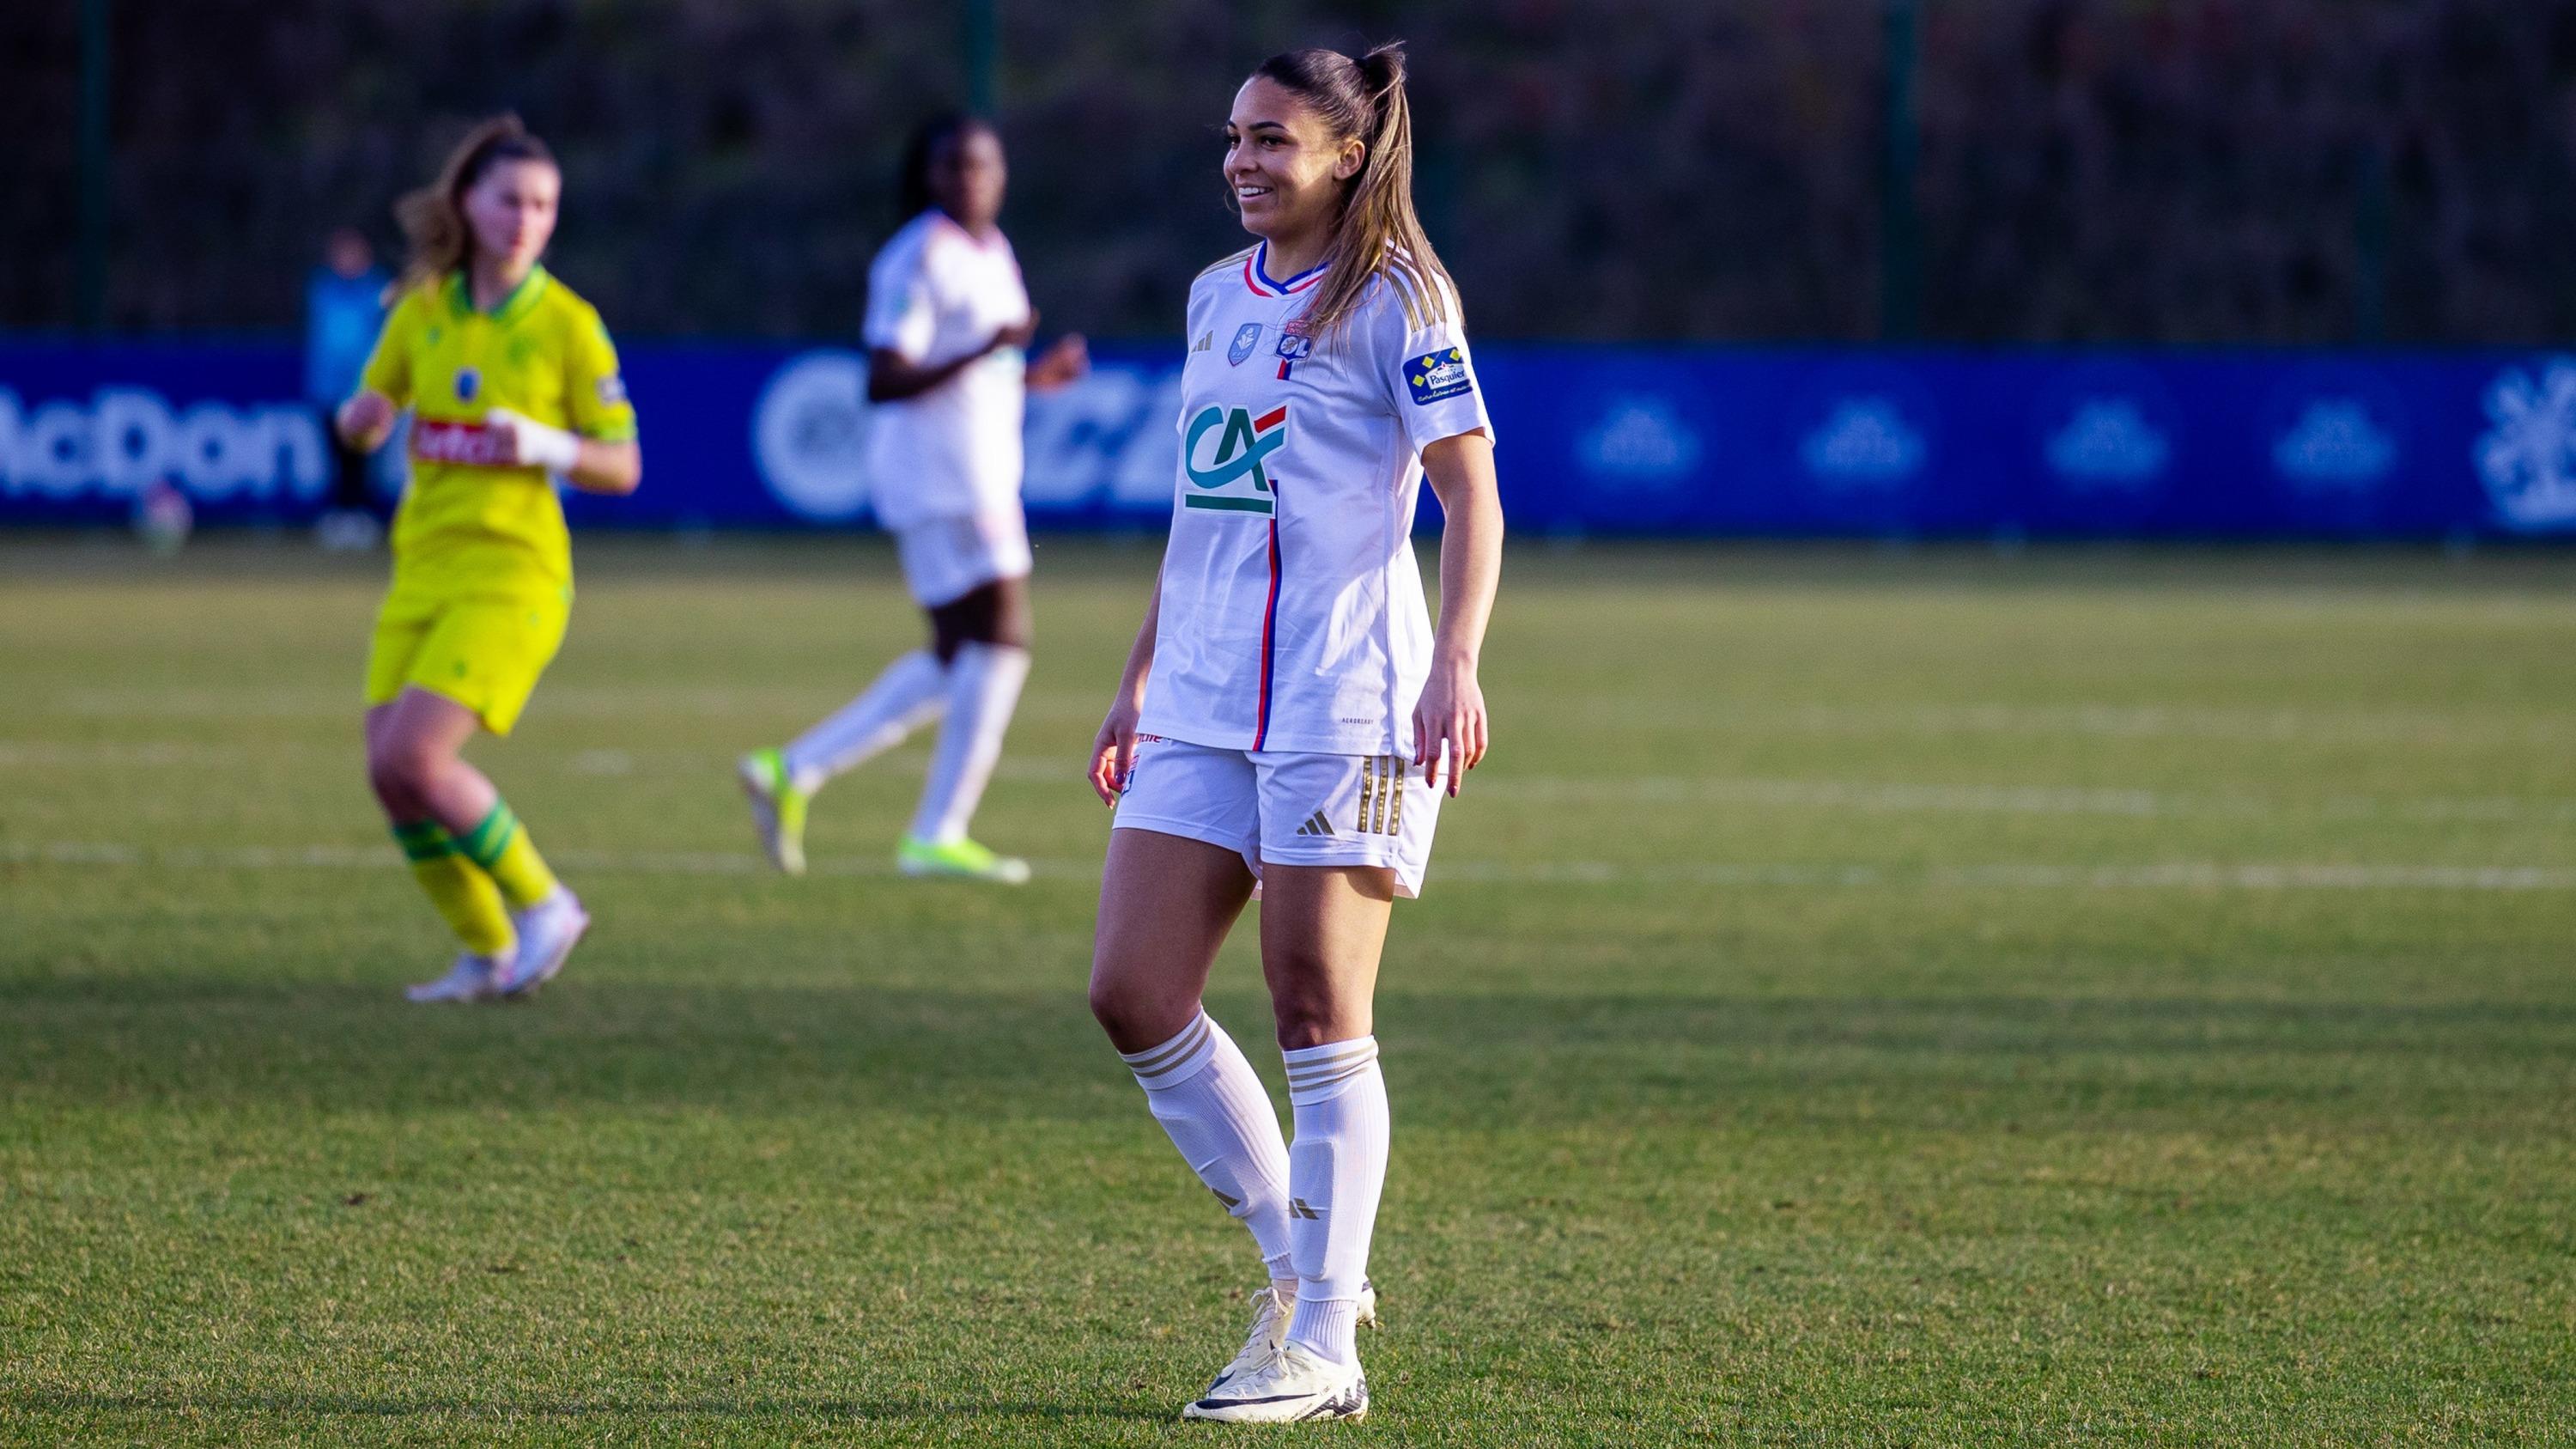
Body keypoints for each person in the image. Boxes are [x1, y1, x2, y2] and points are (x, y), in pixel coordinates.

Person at [1083, 44, 1503, 1424]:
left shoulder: (1397, 294)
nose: (1243, 161)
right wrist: (1141, 674)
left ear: (1343, 154)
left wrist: (1456, 660)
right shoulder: (1215, 297)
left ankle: (1324, 1345)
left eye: (1273, 140)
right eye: (1235, 137)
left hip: (1348, 698)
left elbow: (1470, 495)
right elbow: (1208, 505)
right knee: (1133, 990)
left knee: (1318, 1005)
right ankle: (1303, 1269)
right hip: (1200, 697)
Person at [336, 115, 641, 1002]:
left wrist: (546, 443)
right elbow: (372, 399)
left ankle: (548, 904)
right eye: (511, 199)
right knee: (390, 779)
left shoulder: (570, 327)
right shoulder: (422, 309)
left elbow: (624, 464)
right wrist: (361, 419)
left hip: (514, 575)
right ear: (467, 203)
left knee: (418, 761)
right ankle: (485, 951)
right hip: (421, 570)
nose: (527, 219)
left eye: (544, 205)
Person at [739, 114, 1087, 883]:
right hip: (947, 476)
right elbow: (884, 375)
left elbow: (973, 370)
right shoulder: (918, 255)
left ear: (1002, 174)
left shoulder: (991, 250)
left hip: (975, 464)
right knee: (1003, 643)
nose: (970, 178)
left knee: (956, 655)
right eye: (954, 166)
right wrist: (989, 347)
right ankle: (938, 831)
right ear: (930, 176)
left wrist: (1031, 376)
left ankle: (794, 768)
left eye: (983, 165)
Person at [307, 228, 389, 550]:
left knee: (363, 456)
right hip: (328, 391)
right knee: (335, 455)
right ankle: (339, 515)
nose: (347, 261)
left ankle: (362, 515)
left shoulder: (378, 290)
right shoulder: (322, 290)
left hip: (364, 390)